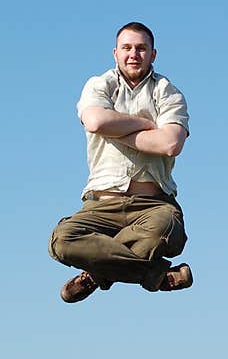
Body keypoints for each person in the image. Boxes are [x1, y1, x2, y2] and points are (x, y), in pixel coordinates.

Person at [48, 22, 194, 303]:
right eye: (127, 48)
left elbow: (170, 144)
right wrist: (145, 125)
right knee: (61, 240)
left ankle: (98, 272)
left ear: (153, 54)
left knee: (164, 232)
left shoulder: (168, 92)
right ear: (115, 53)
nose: (134, 54)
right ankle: (156, 276)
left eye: (141, 48)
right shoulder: (100, 85)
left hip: (153, 205)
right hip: (102, 204)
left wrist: (116, 131)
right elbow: (96, 120)